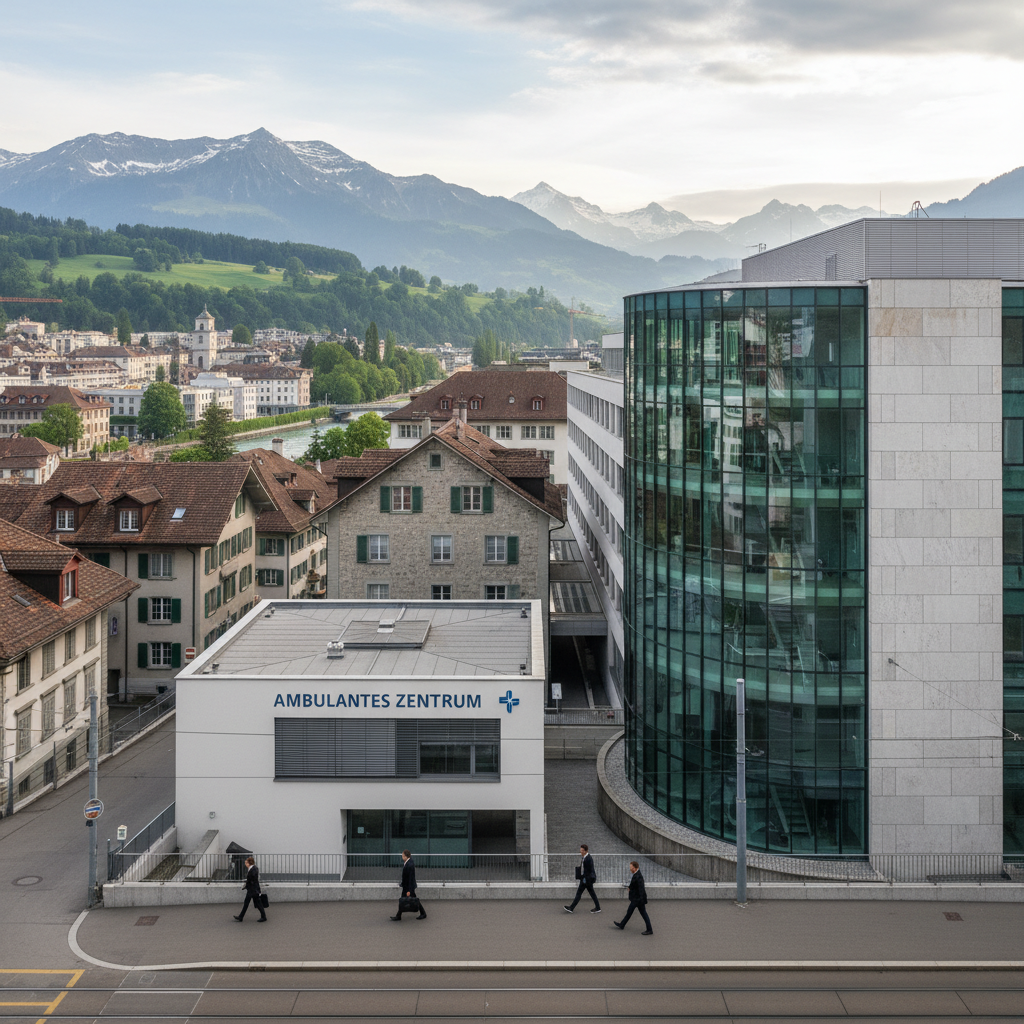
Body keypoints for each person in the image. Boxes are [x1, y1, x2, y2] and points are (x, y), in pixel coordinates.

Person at [615, 861, 652, 935]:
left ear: (634, 868)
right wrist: (630, 888)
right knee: (633, 912)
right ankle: (622, 924)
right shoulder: (637, 875)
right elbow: (635, 886)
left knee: (638, 913)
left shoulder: (638, 877)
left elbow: (641, 889)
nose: (630, 869)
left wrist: (639, 899)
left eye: (631, 867)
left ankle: (649, 930)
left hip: (637, 899)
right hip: (638, 899)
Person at [563, 843, 600, 914]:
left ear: (586, 851)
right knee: (591, 894)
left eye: (582, 850)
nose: (580, 851)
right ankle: (597, 908)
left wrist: (583, 879)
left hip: (586, 880)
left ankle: (571, 908)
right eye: (580, 850)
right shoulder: (585, 857)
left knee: (580, 893)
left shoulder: (588, 859)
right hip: (586, 879)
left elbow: (589, 871)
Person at [390, 849, 426, 921]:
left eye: (403, 856)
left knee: (405, 900)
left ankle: (399, 916)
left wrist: (409, 890)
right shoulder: (408, 863)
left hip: (408, 887)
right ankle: (423, 913)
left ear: (406, 856)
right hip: (407, 886)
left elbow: (410, 878)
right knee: (412, 899)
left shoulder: (410, 865)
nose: (402, 857)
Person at [234, 856, 267, 923]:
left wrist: (248, 883)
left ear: (249, 863)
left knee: (256, 903)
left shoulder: (253, 869)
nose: (245, 864)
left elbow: (253, 879)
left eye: (246, 863)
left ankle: (263, 917)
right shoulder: (252, 869)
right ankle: (241, 917)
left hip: (253, 890)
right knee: (248, 903)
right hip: (252, 889)